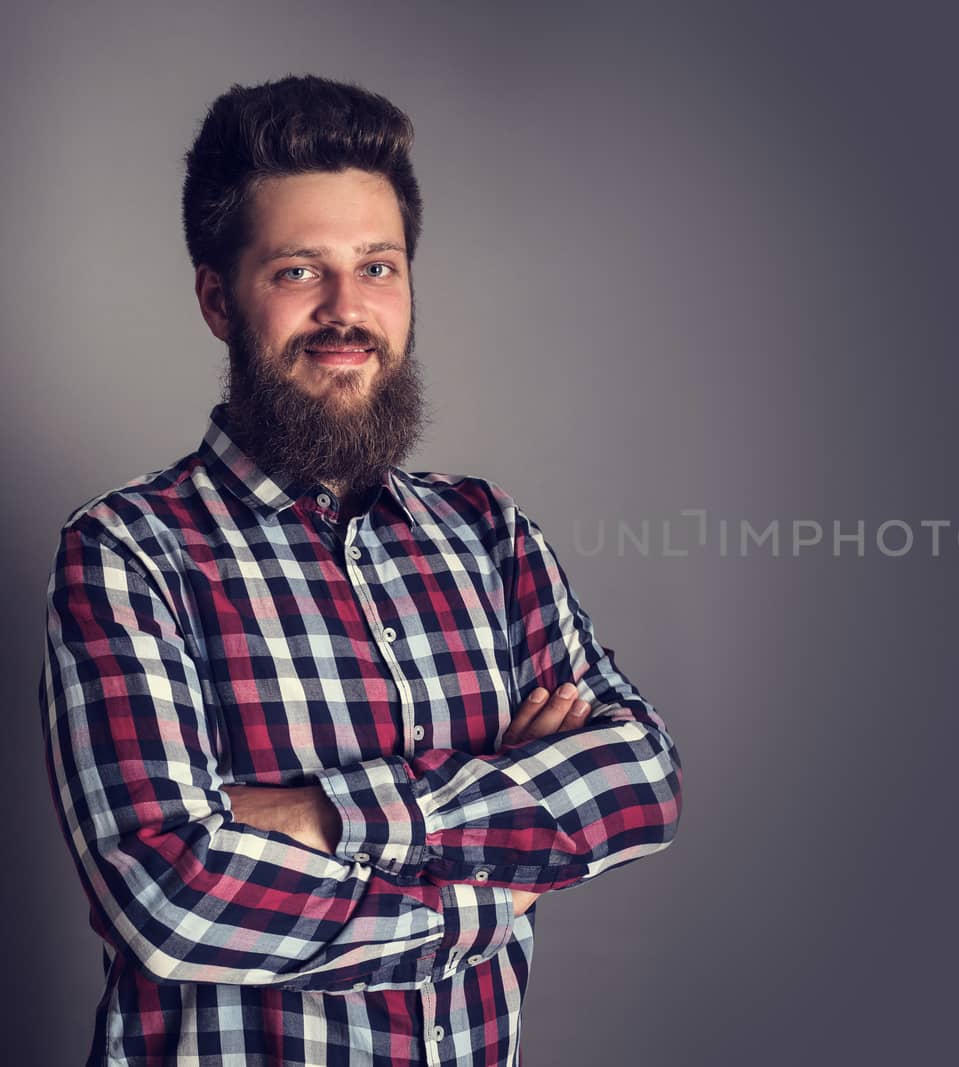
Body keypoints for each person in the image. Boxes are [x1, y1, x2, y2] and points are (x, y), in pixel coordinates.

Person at [38, 74, 683, 1066]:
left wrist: (317, 813)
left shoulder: (486, 532)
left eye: (377, 266)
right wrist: (486, 882)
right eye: (300, 271)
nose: (348, 309)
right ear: (219, 299)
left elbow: (638, 776)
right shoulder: (130, 551)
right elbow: (170, 897)